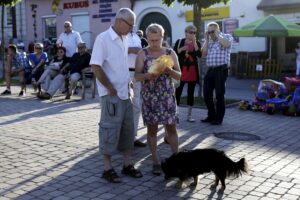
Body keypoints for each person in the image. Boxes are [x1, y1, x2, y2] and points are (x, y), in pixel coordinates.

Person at [90, 8, 143, 183]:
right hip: (111, 95)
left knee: (128, 131)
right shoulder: (103, 39)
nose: (131, 29)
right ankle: (107, 169)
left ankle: (127, 165)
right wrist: (109, 86)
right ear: (120, 21)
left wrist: (126, 81)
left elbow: (121, 63)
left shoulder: (125, 37)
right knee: (109, 131)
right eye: (130, 25)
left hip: (125, 93)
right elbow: (95, 66)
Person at [135, 23, 181, 176]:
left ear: (163, 37)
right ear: (147, 38)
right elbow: (137, 76)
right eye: (151, 40)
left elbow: (180, 75)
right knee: (152, 129)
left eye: (157, 40)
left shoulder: (170, 52)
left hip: (167, 96)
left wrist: (168, 70)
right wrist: (148, 76)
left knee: (171, 128)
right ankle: (155, 161)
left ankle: (176, 159)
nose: (154, 43)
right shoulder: (142, 53)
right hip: (150, 97)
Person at [201, 22, 233, 125]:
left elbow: (226, 44)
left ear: (217, 29)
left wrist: (218, 35)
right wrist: (206, 39)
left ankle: (218, 119)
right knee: (206, 94)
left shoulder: (226, 36)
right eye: (209, 31)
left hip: (221, 69)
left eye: (212, 31)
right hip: (210, 69)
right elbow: (203, 53)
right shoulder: (209, 41)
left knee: (219, 95)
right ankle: (211, 116)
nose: (211, 33)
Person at [174, 25, 201, 122]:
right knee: (178, 92)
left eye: (194, 32)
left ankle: (189, 116)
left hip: (192, 70)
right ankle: (175, 114)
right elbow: (174, 53)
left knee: (191, 93)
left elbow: (199, 55)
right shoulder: (180, 41)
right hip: (181, 70)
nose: (192, 34)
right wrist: (183, 48)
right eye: (191, 32)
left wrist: (194, 43)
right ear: (186, 32)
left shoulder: (196, 43)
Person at [127, 31, 146, 147]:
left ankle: (133, 136)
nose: (131, 25)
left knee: (137, 106)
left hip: (137, 74)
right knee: (126, 105)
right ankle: (124, 137)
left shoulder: (136, 36)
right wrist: (130, 49)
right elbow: (116, 53)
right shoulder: (120, 35)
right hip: (125, 73)